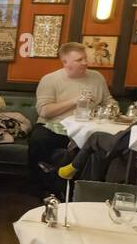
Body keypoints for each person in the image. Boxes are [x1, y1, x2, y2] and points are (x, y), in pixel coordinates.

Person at [29, 42, 115, 194]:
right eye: (79, 60)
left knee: (106, 142)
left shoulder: (97, 77)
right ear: (65, 62)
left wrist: (112, 109)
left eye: (85, 59)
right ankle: (42, 188)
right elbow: (44, 111)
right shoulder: (50, 79)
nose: (85, 63)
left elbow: (109, 101)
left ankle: (87, 190)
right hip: (55, 127)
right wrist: (75, 101)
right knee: (38, 139)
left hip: (88, 128)